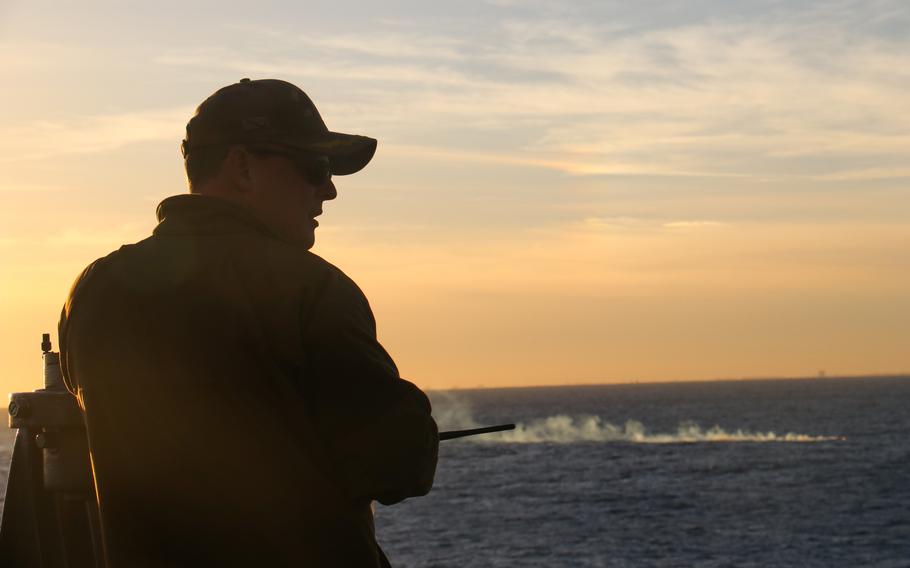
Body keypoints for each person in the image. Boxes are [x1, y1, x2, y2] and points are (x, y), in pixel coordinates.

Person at [58, 78, 439, 567]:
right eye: (315, 167)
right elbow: (398, 467)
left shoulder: (94, 290)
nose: (329, 190)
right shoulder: (310, 289)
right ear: (241, 165)